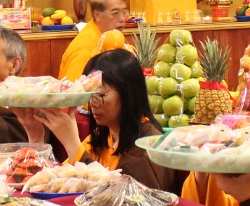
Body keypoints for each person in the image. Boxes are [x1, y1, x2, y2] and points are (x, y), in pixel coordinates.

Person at [20, 49, 178, 191]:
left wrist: (72, 143)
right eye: (89, 95)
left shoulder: (149, 146)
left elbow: (121, 198)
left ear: (129, 95)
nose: (93, 103)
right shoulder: (104, 136)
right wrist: (36, 138)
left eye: (101, 95)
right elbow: (57, 180)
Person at [57, 0, 128, 80]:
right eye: (115, 13)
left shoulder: (111, 37)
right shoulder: (87, 48)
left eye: (124, 12)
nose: (122, 19)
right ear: (98, 15)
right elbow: (74, 87)